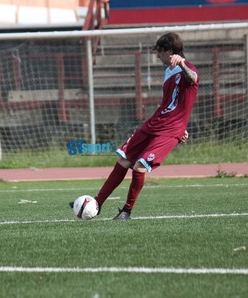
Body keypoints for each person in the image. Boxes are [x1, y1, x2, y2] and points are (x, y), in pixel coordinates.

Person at [73, 32, 199, 220]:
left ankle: (127, 211)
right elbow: (172, 103)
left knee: (139, 166)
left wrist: (179, 126)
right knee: (123, 160)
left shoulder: (186, 68)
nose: (157, 56)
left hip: (170, 129)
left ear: (170, 51)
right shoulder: (168, 71)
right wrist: (181, 122)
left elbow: (194, 78)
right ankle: (97, 203)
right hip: (156, 123)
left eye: (160, 52)